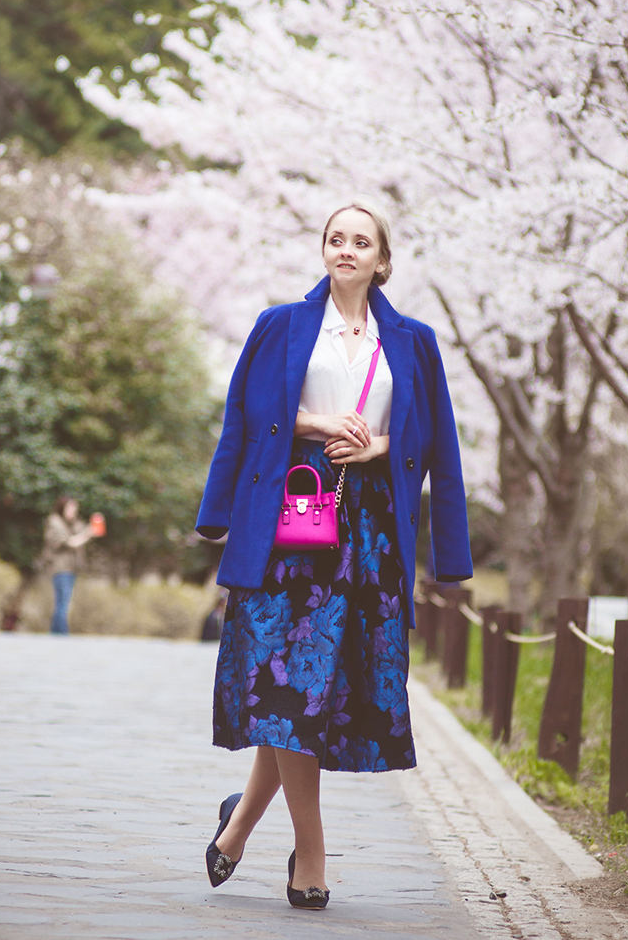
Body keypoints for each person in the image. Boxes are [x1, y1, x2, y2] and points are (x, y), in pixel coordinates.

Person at [195, 200, 472, 909]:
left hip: (370, 535)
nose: (346, 249)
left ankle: (239, 825)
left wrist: (378, 445)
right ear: (323, 249)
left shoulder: (412, 341)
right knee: (288, 688)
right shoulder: (281, 326)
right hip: (290, 521)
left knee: (307, 693)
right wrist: (313, 424)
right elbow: (247, 414)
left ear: (382, 259)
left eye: (361, 241)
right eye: (335, 238)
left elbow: (434, 439)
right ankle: (311, 852)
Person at [41, 497, 94, 634]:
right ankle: (62, 632)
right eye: (70, 508)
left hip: (72, 568)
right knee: (63, 600)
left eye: (75, 508)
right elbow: (69, 542)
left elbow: (81, 533)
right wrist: (86, 535)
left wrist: (90, 529)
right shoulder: (55, 522)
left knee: (63, 601)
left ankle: (55, 632)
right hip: (60, 567)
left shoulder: (74, 523)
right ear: (62, 508)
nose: (73, 511)